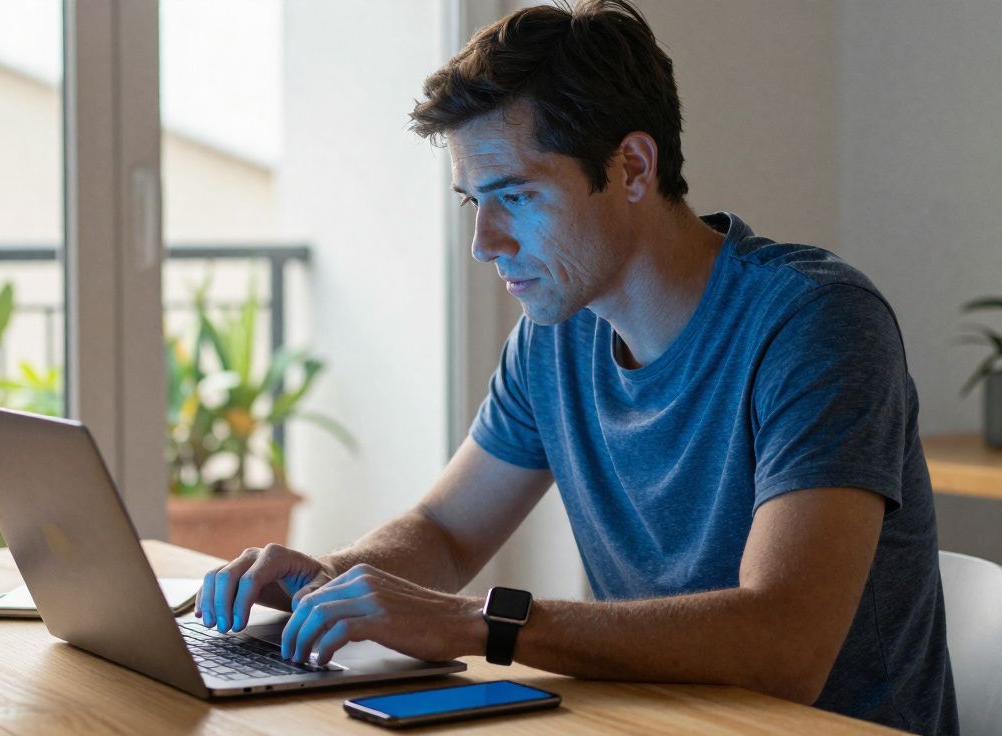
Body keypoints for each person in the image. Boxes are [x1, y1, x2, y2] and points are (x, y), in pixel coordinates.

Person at [194, 2, 955, 732]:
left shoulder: (814, 324)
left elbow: (783, 646)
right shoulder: (556, 333)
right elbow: (445, 532)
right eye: (472, 203)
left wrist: (476, 623)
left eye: (515, 196)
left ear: (631, 166)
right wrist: (326, 582)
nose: (485, 242)